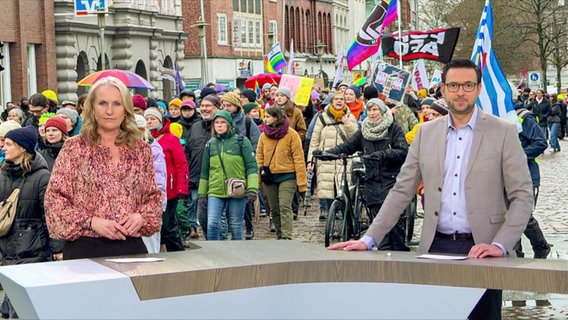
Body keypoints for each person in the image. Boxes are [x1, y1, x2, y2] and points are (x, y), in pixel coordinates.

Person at [328, 59, 533, 320]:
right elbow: (402, 190)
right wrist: (369, 239)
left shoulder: (502, 132)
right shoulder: (425, 133)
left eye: (468, 85)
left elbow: (522, 195)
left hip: (483, 251)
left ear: (479, 88)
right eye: (454, 85)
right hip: (435, 248)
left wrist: (500, 244)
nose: (461, 92)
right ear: (444, 89)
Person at [44, 76, 163, 260]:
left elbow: (153, 199)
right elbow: (54, 200)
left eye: (117, 103)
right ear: (91, 108)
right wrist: (90, 222)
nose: (109, 111)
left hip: (131, 248)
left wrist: (140, 217)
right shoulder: (74, 148)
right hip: (84, 249)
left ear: (126, 109)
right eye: (102, 103)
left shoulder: (141, 150)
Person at [315, 98, 409, 250]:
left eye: (375, 110)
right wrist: (326, 154)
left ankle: (398, 254)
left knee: (394, 226)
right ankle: (383, 256)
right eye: (369, 110)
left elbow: (403, 151)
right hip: (371, 181)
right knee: (377, 224)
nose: (372, 113)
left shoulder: (394, 129)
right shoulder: (364, 131)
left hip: (390, 180)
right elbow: (348, 146)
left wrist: (383, 154)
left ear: (382, 111)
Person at [0, 126, 52, 319]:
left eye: (8, 144)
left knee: (31, 309)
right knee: (12, 308)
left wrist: (56, 250)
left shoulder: (42, 177)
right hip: (6, 250)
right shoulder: (2, 175)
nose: (3, 147)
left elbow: (50, 216)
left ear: (22, 148)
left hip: (33, 251)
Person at [198, 110, 258, 240]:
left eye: (222, 122)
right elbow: (204, 171)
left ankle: (238, 256)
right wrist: (202, 194)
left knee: (236, 225)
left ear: (229, 124)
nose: (219, 125)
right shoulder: (210, 144)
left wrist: (253, 189)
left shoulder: (242, 142)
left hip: (237, 188)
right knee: (212, 224)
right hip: (215, 190)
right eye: (216, 123)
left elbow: (252, 167)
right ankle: (214, 253)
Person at [257, 106, 307, 240]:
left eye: (267, 117)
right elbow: (259, 157)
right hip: (269, 176)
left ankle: (286, 237)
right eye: (264, 116)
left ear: (276, 117)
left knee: (285, 206)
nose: (264, 119)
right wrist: (258, 179)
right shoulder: (263, 135)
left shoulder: (291, 134)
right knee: (274, 209)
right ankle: (279, 236)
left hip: (287, 175)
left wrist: (302, 182)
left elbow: (299, 158)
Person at [307, 91, 358, 220]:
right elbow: (314, 140)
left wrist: (348, 125)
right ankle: (331, 214)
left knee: (342, 189)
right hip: (326, 159)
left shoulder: (350, 117)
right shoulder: (322, 117)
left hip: (343, 159)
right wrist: (310, 160)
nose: (339, 101)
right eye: (336, 99)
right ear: (332, 102)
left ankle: (343, 216)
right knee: (327, 190)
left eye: (341, 99)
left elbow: (356, 137)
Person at [145, 107, 188, 252]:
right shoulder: (142, 140)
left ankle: (178, 253)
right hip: (150, 191)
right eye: (147, 119)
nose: (149, 121)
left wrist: (182, 189)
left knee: (169, 228)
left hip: (169, 191)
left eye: (153, 118)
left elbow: (181, 165)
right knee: (157, 227)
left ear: (160, 120)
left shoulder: (171, 139)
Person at [185, 94, 221, 239]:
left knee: (217, 219)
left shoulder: (221, 125)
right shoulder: (195, 127)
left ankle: (219, 244)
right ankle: (210, 239)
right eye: (203, 106)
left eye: (208, 106)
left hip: (217, 179)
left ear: (217, 108)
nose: (204, 109)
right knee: (202, 215)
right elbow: (187, 150)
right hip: (197, 178)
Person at [135, 114, 167, 254]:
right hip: (132, 209)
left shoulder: (154, 150)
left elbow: (159, 183)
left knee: (150, 249)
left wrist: (156, 208)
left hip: (150, 207)